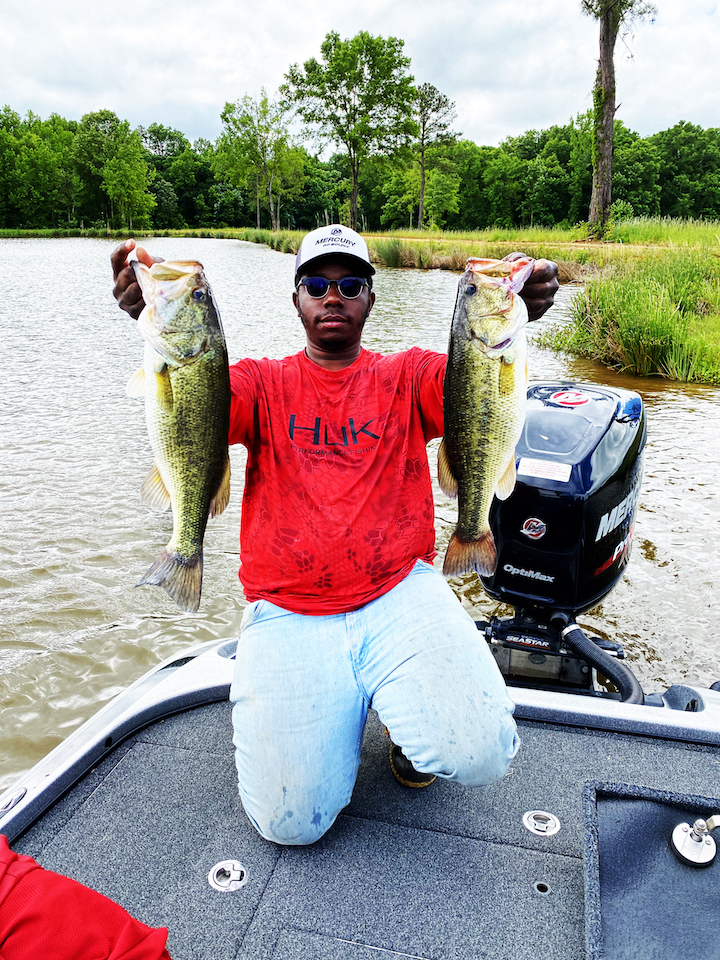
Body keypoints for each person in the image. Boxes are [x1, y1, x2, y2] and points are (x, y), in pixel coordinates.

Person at [111, 226, 559, 846]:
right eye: (317, 284)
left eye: (350, 284)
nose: (333, 296)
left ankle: (408, 732)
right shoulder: (257, 383)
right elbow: (192, 399)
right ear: (296, 298)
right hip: (288, 611)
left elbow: (477, 380)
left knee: (483, 752)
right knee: (291, 824)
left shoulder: (410, 374)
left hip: (400, 591)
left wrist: (521, 309)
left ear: (370, 299)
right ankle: (347, 712)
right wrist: (148, 316)